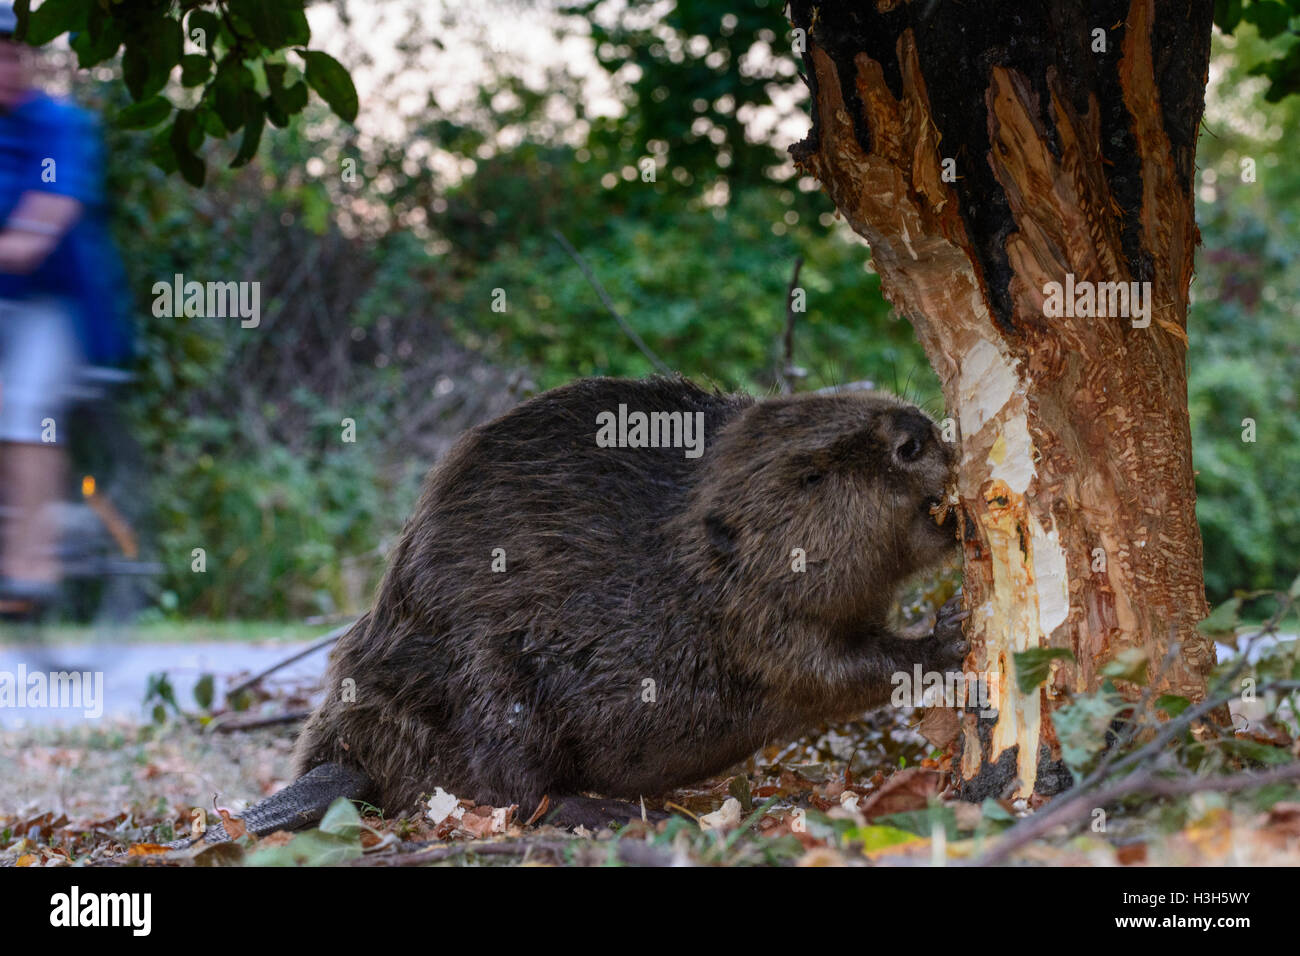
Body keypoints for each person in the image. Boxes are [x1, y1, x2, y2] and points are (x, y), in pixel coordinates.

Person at [0, 3, 131, 617]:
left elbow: (36, 234)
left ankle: (33, 563)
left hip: (61, 310)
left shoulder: (57, 127)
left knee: (23, 405)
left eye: (12, 53)